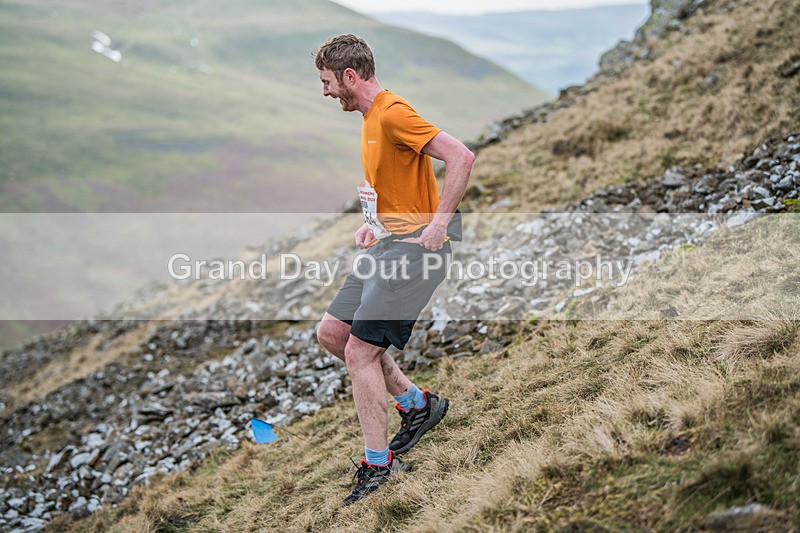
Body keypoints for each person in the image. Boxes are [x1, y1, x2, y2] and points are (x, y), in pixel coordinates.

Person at [314, 34, 474, 506]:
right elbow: (389, 186)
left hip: (415, 254)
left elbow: (461, 155)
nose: (324, 93)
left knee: (361, 353)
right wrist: (372, 225)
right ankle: (418, 406)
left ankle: (379, 466)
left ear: (350, 76)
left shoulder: (393, 112)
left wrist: (439, 225)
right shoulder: (369, 119)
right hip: (386, 245)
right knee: (333, 334)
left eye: (327, 83)